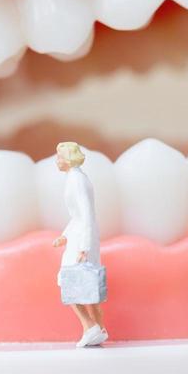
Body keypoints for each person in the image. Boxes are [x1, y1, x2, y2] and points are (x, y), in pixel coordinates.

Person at [51, 141, 108, 347]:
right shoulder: (74, 179)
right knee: (85, 286)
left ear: (67, 159)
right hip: (77, 237)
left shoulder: (77, 180)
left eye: (58, 157)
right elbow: (77, 216)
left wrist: (84, 246)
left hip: (83, 240)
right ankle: (98, 328)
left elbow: (86, 214)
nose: (56, 161)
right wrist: (65, 236)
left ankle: (90, 327)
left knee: (69, 282)